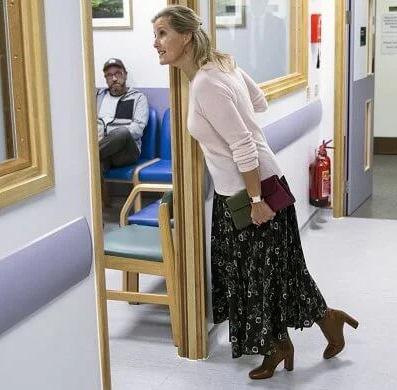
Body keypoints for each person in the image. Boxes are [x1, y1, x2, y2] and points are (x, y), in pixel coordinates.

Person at [151, 5, 358, 380]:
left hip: (253, 193)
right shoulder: (224, 66)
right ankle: (309, 331)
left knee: (261, 275)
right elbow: (259, 103)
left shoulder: (206, 84)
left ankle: (292, 338)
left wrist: (257, 200)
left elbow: (243, 145)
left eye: (163, 33)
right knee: (273, 271)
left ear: (185, 36)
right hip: (254, 186)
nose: (156, 43)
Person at [96, 58, 149, 173]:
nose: (114, 79)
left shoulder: (138, 98)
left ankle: (89, 156)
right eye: (109, 75)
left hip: (125, 151)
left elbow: (138, 129)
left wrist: (110, 137)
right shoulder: (98, 97)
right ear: (106, 79)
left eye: (118, 73)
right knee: (97, 166)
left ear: (125, 75)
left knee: (122, 132)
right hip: (106, 151)